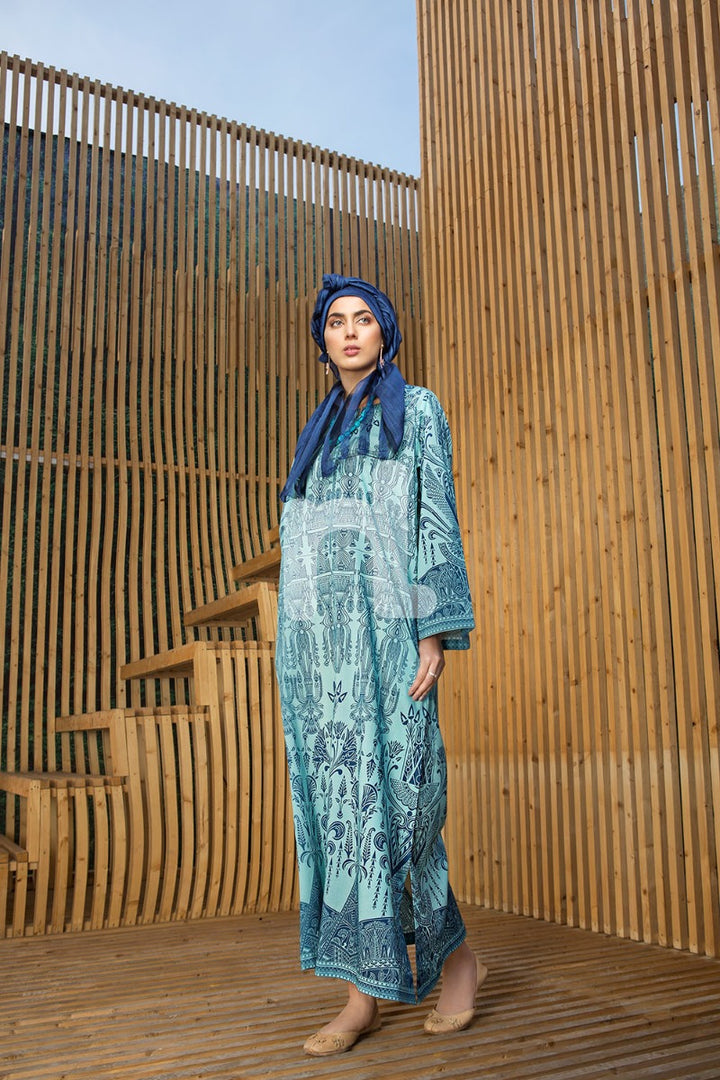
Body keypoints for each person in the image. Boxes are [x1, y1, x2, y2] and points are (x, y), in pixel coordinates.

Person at [276, 273, 486, 1057]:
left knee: (406, 804)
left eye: (363, 319)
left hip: (393, 637)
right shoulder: (319, 435)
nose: (350, 331)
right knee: (344, 815)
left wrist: (432, 632)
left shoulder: (417, 410)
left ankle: (457, 961)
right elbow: (302, 545)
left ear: (384, 333)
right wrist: (298, 653)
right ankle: (359, 995)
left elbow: (434, 519)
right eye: (337, 321)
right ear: (323, 340)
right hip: (324, 657)